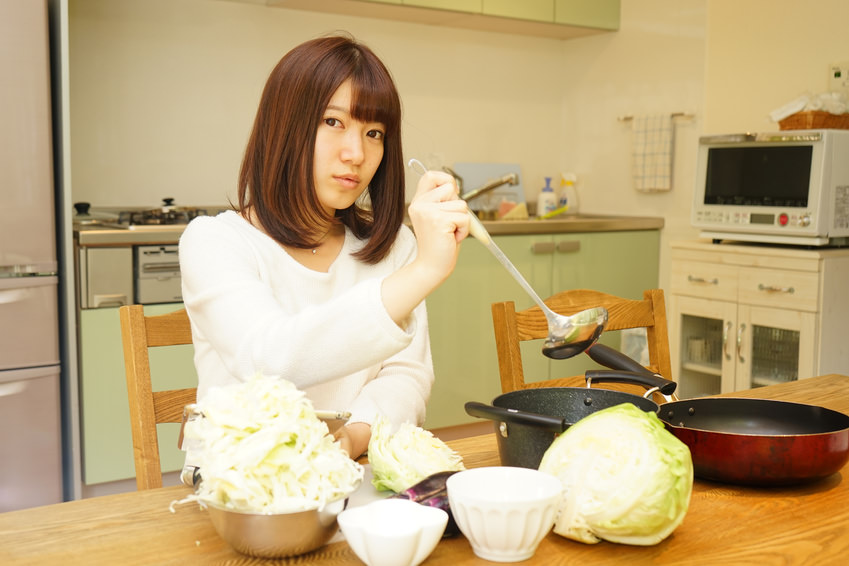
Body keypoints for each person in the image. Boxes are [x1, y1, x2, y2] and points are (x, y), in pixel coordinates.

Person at [178, 33, 469, 462]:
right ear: (284, 127)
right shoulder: (214, 242)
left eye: (374, 132)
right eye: (333, 122)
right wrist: (425, 271)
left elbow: (406, 377)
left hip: (352, 478)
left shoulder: (395, 246)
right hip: (240, 495)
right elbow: (269, 358)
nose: (357, 153)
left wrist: (350, 438)